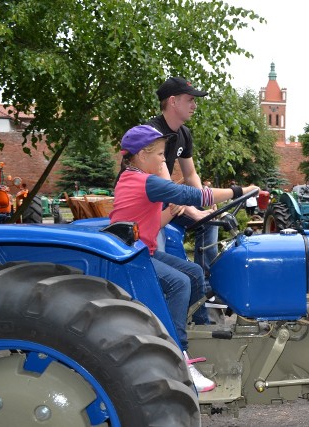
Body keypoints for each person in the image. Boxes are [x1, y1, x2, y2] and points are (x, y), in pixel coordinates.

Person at [110, 125, 258, 393]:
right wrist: (240, 190)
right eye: (159, 155)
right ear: (142, 155)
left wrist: (174, 212)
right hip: (131, 256)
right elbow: (194, 194)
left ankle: (199, 328)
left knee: (192, 271)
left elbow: (150, 226)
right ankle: (179, 358)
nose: (163, 161)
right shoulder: (143, 181)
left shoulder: (135, 179)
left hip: (142, 248)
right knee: (179, 282)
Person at [146, 76, 217, 324]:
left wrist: (204, 205)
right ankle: (162, 319)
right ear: (173, 102)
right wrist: (194, 212)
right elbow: (166, 188)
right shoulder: (153, 134)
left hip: (169, 202)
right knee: (169, 265)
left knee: (211, 222)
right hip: (148, 208)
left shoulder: (184, 133)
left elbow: (190, 174)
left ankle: (207, 287)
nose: (194, 105)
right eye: (190, 100)